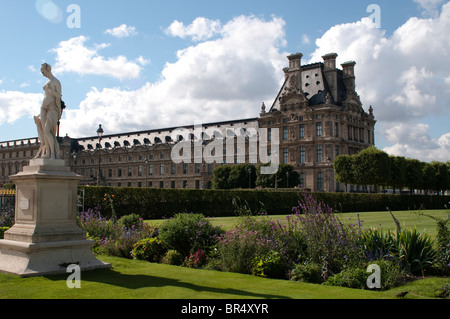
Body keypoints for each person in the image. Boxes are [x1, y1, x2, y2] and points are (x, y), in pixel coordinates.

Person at [34, 63, 62, 159]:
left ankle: (53, 154)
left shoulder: (56, 82)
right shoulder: (46, 83)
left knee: (47, 131)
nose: (43, 74)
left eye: (43, 72)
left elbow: (59, 96)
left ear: (48, 70)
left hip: (52, 107)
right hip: (43, 107)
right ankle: (47, 153)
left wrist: (51, 91)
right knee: (43, 131)